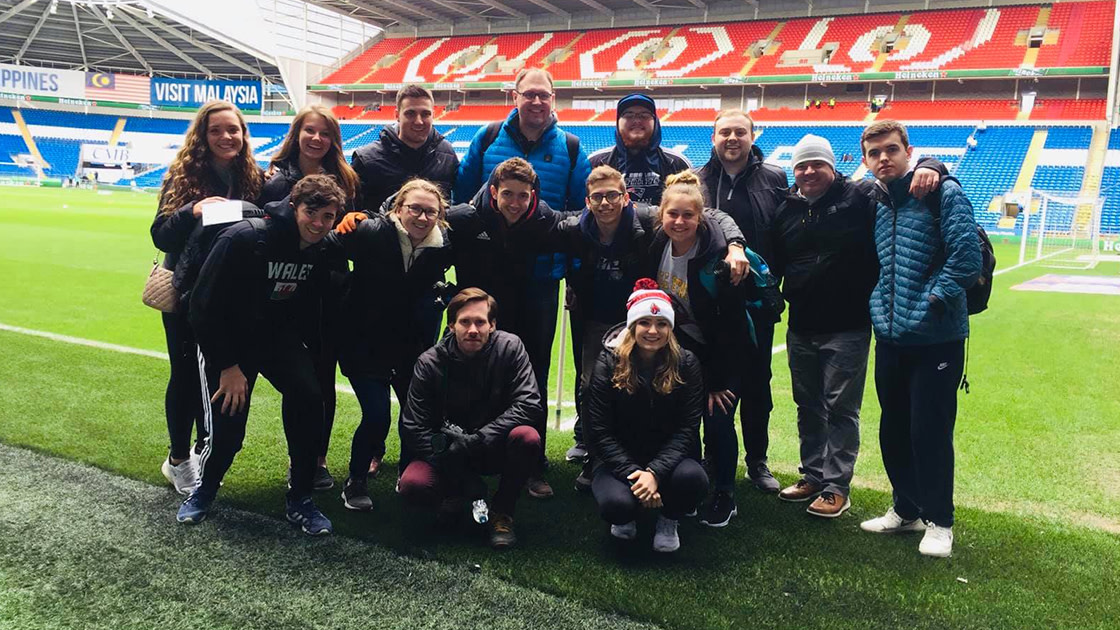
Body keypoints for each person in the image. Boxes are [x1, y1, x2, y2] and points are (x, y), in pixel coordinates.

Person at [516, 165, 748, 491]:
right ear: (587, 201)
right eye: (598, 197)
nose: (606, 202)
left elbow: (710, 215)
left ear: (626, 198)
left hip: (649, 322)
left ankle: (688, 477)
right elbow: (544, 223)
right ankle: (600, 463)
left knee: (671, 394)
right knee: (592, 388)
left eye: (613, 195)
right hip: (602, 318)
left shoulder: (650, 223)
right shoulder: (577, 228)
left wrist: (735, 244)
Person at [770, 134, 947, 518]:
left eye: (817, 163)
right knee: (808, 406)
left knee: (840, 408)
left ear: (833, 167)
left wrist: (933, 165)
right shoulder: (786, 208)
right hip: (801, 325)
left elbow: (905, 185)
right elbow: (777, 262)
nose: (809, 171)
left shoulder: (862, 197)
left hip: (848, 325)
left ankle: (837, 485)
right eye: (802, 165)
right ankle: (812, 475)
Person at [175, 174, 342, 536]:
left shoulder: (320, 248)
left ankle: (300, 498)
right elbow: (202, 308)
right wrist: (228, 366)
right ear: (295, 206)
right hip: (228, 342)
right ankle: (204, 490)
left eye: (328, 217)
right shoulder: (246, 237)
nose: (318, 223)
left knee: (310, 399)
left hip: (276, 339)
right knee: (228, 428)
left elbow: (311, 303)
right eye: (312, 212)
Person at [452, 70, 592, 499]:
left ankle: (530, 460)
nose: (536, 101)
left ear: (554, 99)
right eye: (528, 94)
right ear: (514, 96)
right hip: (488, 283)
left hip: (539, 280)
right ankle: (471, 450)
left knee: (533, 367)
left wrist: (569, 274)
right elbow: (463, 200)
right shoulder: (488, 135)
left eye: (544, 95)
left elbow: (576, 218)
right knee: (478, 363)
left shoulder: (569, 146)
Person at [857, 120, 981, 558]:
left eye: (891, 149)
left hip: (936, 338)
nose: (883, 158)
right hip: (891, 336)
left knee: (929, 431)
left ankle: (940, 521)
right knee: (893, 429)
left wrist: (933, 298)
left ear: (908, 150)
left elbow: (967, 261)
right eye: (875, 153)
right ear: (866, 160)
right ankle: (906, 510)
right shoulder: (877, 201)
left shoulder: (941, 192)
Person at [150, 99, 262, 495]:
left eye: (232, 130)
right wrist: (193, 210)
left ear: (243, 134)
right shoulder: (184, 177)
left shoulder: (252, 176)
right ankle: (179, 459)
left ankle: (201, 449)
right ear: (202, 136)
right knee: (183, 375)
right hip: (185, 292)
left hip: (230, 295)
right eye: (216, 130)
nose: (225, 137)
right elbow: (160, 234)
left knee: (209, 375)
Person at [326, 179, 454, 511]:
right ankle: (355, 480)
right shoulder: (370, 232)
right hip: (364, 342)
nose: (423, 218)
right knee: (377, 414)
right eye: (415, 209)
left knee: (414, 414)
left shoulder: (443, 246)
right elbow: (326, 249)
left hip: (412, 345)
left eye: (431, 211)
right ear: (398, 209)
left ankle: (407, 472)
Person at [643, 171, 762, 528]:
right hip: (682, 350)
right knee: (684, 421)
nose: (679, 222)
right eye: (672, 214)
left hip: (725, 350)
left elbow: (732, 326)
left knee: (718, 417)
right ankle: (694, 488)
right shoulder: (655, 245)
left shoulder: (718, 257)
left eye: (688, 215)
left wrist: (718, 380)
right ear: (661, 215)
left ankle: (725, 493)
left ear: (701, 216)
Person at [259, 103, 360, 490]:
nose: (317, 139)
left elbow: (351, 232)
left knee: (322, 377)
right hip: (285, 289)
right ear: (296, 134)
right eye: (310, 131)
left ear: (334, 139)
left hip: (329, 289)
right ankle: (296, 457)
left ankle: (316, 459)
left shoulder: (346, 179)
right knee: (297, 380)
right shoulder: (274, 180)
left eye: (325, 133)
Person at [398, 288, 544, 549]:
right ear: (452, 325)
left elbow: (529, 403)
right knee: (413, 484)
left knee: (528, 438)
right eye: (465, 322)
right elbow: (412, 427)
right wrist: (460, 472)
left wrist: (478, 439)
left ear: (493, 325)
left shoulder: (511, 348)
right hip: (448, 450)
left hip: (492, 445)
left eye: (480, 322)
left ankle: (502, 512)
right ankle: (454, 494)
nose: (473, 329)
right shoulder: (429, 362)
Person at [693, 109, 787, 494]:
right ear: (713, 138)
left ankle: (757, 460)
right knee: (709, 383)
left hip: (755, 304)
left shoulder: (775, 179)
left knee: (756, 385)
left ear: (753, 136)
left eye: (739, 132)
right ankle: (712, 457)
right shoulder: (698, 179)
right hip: (708, 303)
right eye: (724, 132)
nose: (732, 139)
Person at [584, 279, 708, 553]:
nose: (653, 331)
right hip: (618, 460)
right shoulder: (608, 362)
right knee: (617, 506)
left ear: (670, 328)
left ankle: (669, 519)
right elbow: (599, 430)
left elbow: (688, 429)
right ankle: (628, 513)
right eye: (644, 323)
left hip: (669, 459)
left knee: (694, 479)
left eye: (662, 324)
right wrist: (633, 472)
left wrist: (654, 472)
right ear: (632, 326)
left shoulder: (687, 363)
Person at [351, 85, 459, 212]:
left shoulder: (447, 154)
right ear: (397, 115)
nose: (419, 121)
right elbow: (353, 215)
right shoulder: (366, 160)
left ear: (433, 115)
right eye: (410, 114)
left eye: (425, 114)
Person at [588, 93, 691, 205]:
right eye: (628, 115)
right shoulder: (596, 162)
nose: (637, 120)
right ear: (618, 122)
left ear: (655, 122)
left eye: (644, 115)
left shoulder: (677, 163)